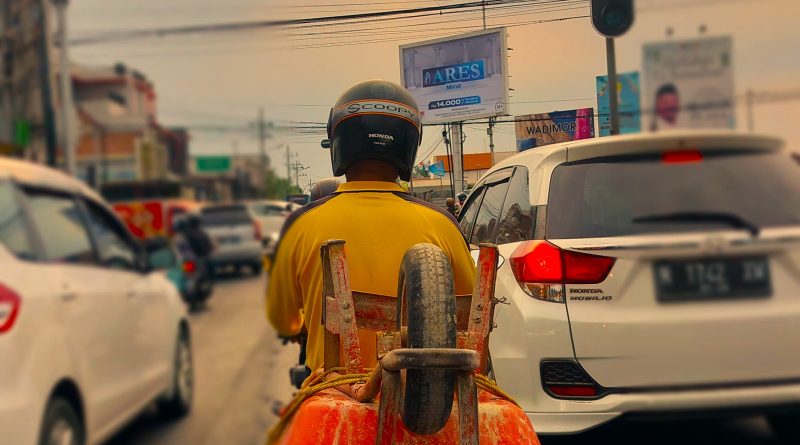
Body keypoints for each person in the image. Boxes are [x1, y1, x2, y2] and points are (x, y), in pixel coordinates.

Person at [266, 80, 476, 376]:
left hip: (333, 394)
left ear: (338, 141)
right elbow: (469, 316)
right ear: (410, 144)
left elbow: (282, 320)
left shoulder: (301, 224)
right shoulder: (442, 225)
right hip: (427, 394)